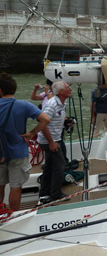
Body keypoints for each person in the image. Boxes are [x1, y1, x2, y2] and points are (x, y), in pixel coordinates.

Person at [0, 72, 50, 211]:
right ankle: (13, 217)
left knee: (0, 185)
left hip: (0, 153)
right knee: (16, 186)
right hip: (18, 152)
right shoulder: (24, 105)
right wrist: (32, 133)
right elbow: (45, 120)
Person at [37, 81, 72, 203]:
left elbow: (55, 119)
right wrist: (51, 142)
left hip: (55, 138)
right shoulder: (51, 104)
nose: (70, 89)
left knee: (49, 166)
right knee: (59, 166)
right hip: (49, 140)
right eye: (68, 88)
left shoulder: (62, 102)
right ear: (61, 92)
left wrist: (66, 122)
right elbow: (43, 124)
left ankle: (44, 193)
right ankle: (56, 194)